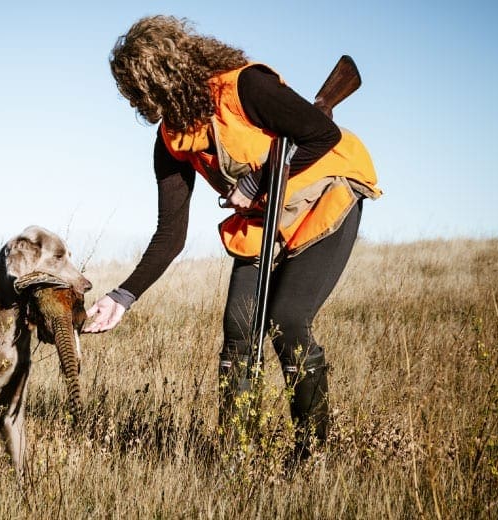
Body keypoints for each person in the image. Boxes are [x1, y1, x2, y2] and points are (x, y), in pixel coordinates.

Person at [83, 15, 381, 464]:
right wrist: (123, 296)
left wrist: (257, 181)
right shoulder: (171, 140)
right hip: (266, 221)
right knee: (239, 332)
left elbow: (323, 133)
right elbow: (170, 235)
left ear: (162, 76)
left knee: (287, 320)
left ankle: (312, 457)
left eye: (136, 90)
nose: (134, 102)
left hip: (327, 194)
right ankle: (238, 457)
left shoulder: (244, 88)